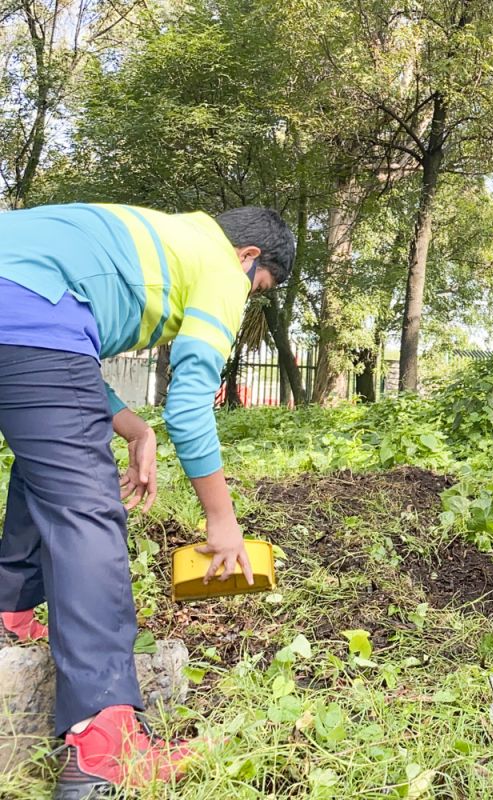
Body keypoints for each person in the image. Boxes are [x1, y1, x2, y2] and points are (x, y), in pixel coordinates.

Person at [0, 202, 295, 797]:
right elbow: (188, 407)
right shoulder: (221, 265)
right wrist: (222, 520)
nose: (247, 297)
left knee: (49, 460)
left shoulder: (163, 235)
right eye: (257, 287)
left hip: (24, 310)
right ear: (248, 256)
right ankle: (103, 745)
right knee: (88, 509)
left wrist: (133, 426)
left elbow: (55, 344)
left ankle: (9, 610)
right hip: (26, 314)